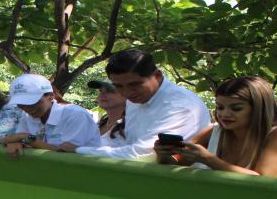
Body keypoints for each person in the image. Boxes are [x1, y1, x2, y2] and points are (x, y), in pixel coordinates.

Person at [154, 76, 277, 179]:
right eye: (220, 107)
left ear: (258, 108)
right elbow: (175, 166)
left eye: (236, 108)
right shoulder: (214, 131)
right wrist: (164, 155)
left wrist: (208, 159)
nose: (225, 114)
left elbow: (263, 181)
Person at [72, 49, 210, 159]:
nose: (126, 92)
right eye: (118, 86)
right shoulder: (138, 98)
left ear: (157, 75)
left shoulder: (180, 106)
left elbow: (144, 154)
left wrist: (78, 150)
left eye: (135, 84)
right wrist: (76, 146)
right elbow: (125, 140)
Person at [2, 73, 101, 155]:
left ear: (50, 95)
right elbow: (13, 139)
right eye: (21, 103)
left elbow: (65, 153)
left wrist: (26, 138)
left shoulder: (76, 115)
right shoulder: (26, 115)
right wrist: (16, 142)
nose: (27, 107)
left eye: (32, 101)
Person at [88, 79, 127, 146]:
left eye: (110, 91)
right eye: (100, 91)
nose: (102, 94)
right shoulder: (98, 125)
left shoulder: (132, 124)